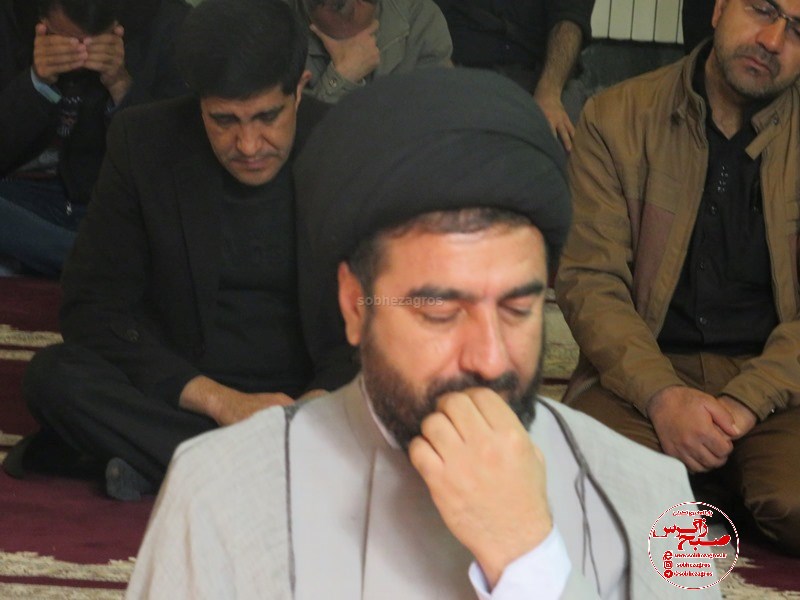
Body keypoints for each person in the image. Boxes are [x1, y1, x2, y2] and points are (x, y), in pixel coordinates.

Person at [126, 69, 718, 599]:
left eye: (518, 308)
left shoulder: (658, 494)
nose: (490, 359)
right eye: (439, 310)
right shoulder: (220, 491)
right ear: (355, 306)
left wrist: (528, 559)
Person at [3, 0, 333, 501]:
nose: (248, 144)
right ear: (198, 102)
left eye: (267, 117)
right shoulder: (145, 141)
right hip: (183, 388)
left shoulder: (344, 145)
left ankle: (164, 458)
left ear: (301, 88)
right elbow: (91, 307)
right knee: (54, 377)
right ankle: (258, 465)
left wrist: (317, 402)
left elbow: (387, 304)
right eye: (224, 120)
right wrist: (218, 401)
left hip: (309, 395)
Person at [556, 0, 800, 555]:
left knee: (793, 504)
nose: (772, 40)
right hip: (642, 371)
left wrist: (745, 404)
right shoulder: (615, 116)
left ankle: (714, 473)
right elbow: (590, 281)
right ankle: (706, 477)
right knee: (592, 497)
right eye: (762, 9)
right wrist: (662, 396)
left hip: (774, 379)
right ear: (718, 9)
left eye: (798, 30)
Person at [0, 0, 190, 276]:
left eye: (93, 41)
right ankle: (97, 263)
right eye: (66, 39)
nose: (80, 52)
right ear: (42, 18)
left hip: (113, 206)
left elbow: (170, 169)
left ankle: (72, 259)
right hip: (21, 199)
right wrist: (36, 83)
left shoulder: (170, 25)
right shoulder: (9, 18)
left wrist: (121, 85)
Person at [432, 0, 594, 151]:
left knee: (559, 140)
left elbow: (570, 23)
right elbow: (428, 18)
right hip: (457, 71)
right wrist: (447, 81)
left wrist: (549, 94)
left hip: (541, 76)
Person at [295, 0, 452, 103]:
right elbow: (295, 139)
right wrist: (340, 78)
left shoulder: (419, 17)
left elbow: (440, 120)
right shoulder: (283, 30)